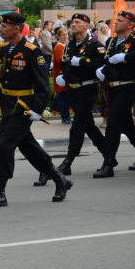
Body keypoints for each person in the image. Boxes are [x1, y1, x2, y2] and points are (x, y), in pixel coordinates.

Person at [0, 13, 72, 206]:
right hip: (7, 104)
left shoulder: (31, 51)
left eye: (3, 26)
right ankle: (59, 178)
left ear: (16, 29)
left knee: (5, 144)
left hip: (23, 106)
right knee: (28, 147)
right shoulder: (2, 47)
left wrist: (37, 109)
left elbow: (43, 84)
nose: (0, 29)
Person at [54, 13, 106, 175]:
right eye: (72, 22)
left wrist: (83, 62)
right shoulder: (69, 45)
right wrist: (64, 76)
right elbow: (66, 64)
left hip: (87, 89)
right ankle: (109, 155)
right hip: (73, 90)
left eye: (77, 22)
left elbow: (101, 63)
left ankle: (68, 161)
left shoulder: (95, 45)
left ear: (87, 26)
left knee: (77, 126)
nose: (73, 25)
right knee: (88, 126)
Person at [93, 11, 135, 177]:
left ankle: (109, 162)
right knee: (127, 125)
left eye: (120, 20)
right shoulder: (111, 41)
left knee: (113, 123)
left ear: (130, 25)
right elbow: (108, 60)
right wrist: (102, 70)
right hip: (113, 88)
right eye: (116, 20)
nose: (115, 22)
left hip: (128, 87)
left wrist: (125, 57)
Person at [51, 27, 71, 125]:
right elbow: (60, 61)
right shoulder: (59, 47)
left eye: (66, 34)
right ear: (58, 36)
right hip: (61, 76)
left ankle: (66, 116)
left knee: (66, 97)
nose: (65, 36)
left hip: (65, 76)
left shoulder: (66, 45)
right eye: (63, 35)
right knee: (63, 97)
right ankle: (65, 117)